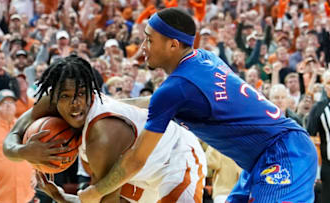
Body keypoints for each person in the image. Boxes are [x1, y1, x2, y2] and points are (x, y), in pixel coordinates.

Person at [72, 8, 317, 202]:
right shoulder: (204, 58)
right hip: (262, 158)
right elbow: (156, 103)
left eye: (149, 40)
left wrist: (96, 191)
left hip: (283, 152)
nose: (143, 48)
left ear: (173, 44)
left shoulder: (177, 88)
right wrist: (104, 104)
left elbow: (136, 160)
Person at [3, 55, 207, 202]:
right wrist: (24, 151)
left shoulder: (102, 133)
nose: (75, 103)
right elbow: (11, 138)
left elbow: (103, 199)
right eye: (65, 96)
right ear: (54, 98)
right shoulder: (49, 103)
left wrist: (66, 200)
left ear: (91, 94)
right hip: (136, 173)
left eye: (81, 94)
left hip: (176, 160)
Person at [306, 70, 330, 203]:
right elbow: (310, 139)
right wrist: (316, 170)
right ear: (324, 86)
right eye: (329, 83)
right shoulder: (319, 108)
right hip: (327, 165)